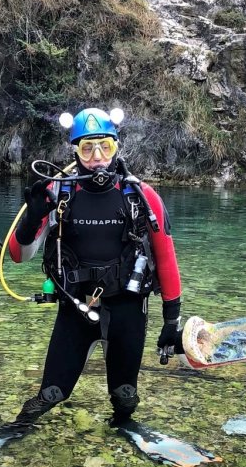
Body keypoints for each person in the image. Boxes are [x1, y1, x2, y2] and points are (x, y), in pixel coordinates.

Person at [9, 107, 182, 427]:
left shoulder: (141, 196)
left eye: (106, 146)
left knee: (125, 395)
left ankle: (124, 430)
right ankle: (17, 428)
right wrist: (32, 219)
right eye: (87, 148)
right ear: (75, 151)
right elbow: (19, 256)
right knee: (51, 393)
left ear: (117, 146)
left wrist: (172, 319)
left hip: (127, 307)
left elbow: (167, 257)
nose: (98, 156)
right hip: (76, 305)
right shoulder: (57, 192)